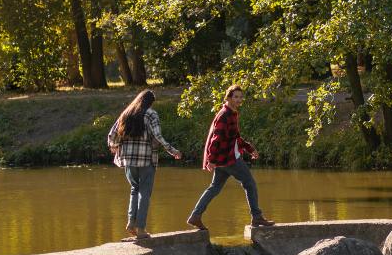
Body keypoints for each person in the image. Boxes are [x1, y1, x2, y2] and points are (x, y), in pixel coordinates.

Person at [187, 85, 275, 230]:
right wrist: (211, 159)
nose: (239, 100)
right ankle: (257, 216)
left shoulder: (231, 113)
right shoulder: (225, 115)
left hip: (223, 159)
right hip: (229, 159)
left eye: (240, 97)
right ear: (228, 98)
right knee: (250, 184)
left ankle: (195, 216)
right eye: (236, 97)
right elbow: (216, 139)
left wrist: (249, 148)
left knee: (214, 188)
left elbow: (235, 137)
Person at [108, 89, 182, 240]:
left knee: (134, 190)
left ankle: (131, 223)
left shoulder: (126, 113)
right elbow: (157, 135)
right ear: (151, 102)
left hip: (129, 160)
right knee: (145, 193)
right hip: (146, 159)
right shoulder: (151, 114)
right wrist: (172, 151)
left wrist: (114, 146)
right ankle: (141, 228)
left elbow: (112, 134)